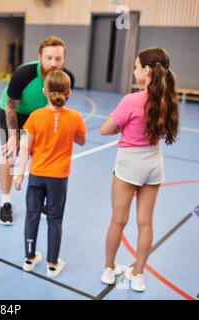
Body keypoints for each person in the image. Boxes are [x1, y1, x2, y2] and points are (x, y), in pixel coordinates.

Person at [99, 48, 179, 292]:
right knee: (146, 223)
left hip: (130, 163)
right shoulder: (168, 100)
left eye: (136, 66)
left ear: (146, 70)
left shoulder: (131, 100)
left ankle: (109, 269)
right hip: (154, 163)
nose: (134, 71)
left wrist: (116, 121)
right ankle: (139, 274)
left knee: (118, 220)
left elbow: (105, 129)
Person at [14, 70, 87, 278]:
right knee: (55, 219)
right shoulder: (75, 118)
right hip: (59, 178)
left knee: (32, 216)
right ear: (69, 92)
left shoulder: (36, 116)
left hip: (37, 175)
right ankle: (52, 264)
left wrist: (19, 175)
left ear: (45, 91)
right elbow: (81, 141)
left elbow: (26, 148)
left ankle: (29, 258)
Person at [0, 35, 75, 225]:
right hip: (15, 112)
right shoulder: (24, 74)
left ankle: (43, 203)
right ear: (40, 57)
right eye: (49, 58)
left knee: (43, 156)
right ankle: (5, 202)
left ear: (64, 59)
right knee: (10, 156)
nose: (54, 63)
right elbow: (10, 106)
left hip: (41, 115)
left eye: (58, 58)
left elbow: (58, 109)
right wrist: (15, 137)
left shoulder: (66, 79)